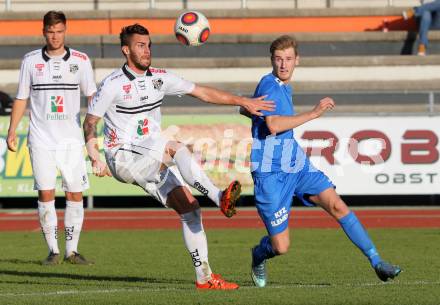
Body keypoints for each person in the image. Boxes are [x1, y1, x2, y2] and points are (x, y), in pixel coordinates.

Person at [83, 23, 274, 290]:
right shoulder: (112, 84)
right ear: (125, 50)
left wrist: (243, 101)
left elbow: (204, 93)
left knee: (190, 210)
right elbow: (90, 122)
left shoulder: (160, 78)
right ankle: (219, 197)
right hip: (123, 156)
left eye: (149, 45)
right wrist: (94, 154)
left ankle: (205, 278)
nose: (147, 50)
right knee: (175, 147)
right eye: (140, 45)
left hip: (149, 156)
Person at [241, 35, 401, 288]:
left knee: (337, 205)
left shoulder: (281, 86)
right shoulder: (270, 85)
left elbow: (253, 109)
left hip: (296, 164)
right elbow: (273, 125)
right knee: (281, 247)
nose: (284, 64)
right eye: (279, 59)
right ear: (271, 60)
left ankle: (377, 261)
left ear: (297, 61)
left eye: (288, 59)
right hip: (270, 174)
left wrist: (246, 108)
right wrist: (314, 113)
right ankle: (259, 254)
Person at [6, 11, 96, 265]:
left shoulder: (81, 60)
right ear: (43, 31)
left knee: (74, 194)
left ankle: (72, 250)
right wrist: (13, 130)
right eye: (50, 31)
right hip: (41, 139)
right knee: (46, 194)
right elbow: (22, 97)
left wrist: (93, 132)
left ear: (65, 30)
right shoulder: (30, 60)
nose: (55, 36)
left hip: (70, 140)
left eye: (59, 31)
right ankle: (54, 251)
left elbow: (92, 98)